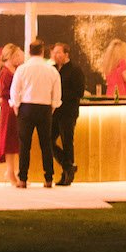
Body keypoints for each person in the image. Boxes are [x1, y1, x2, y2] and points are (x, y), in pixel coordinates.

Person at [9, 40, 62, 187]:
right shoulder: (51, 70)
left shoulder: (22, 69)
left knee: (24, 145)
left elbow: (14, 90)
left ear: (29, 51)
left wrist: (16, 105)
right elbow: (57, 93)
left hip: (26, 108)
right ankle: (49, 178)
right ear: (42, 51)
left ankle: (23, 179)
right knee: (46, 144)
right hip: (44, 108)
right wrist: (53, 106)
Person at [51, 43, 85, 184]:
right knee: (48, 140)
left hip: (68, 111)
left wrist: (61, 96)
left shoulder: (75, 70)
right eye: (54, 52)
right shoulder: (52, 70)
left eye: (59, 52)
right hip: (54, 112)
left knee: (67, 142)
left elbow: (79, 92)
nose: (56, 55)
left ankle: (67, 175)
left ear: (66, 54)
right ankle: (68, 166)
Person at [0, 43, 23, 184]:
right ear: (10, 56)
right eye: (17, 55)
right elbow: (4, 92)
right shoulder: (5, 72)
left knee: (15, 141)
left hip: (15, 107)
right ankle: (10, 173)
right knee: (9, 141)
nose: (20, 57)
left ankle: (13, 172)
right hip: (8, 109)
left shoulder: (16, 70)